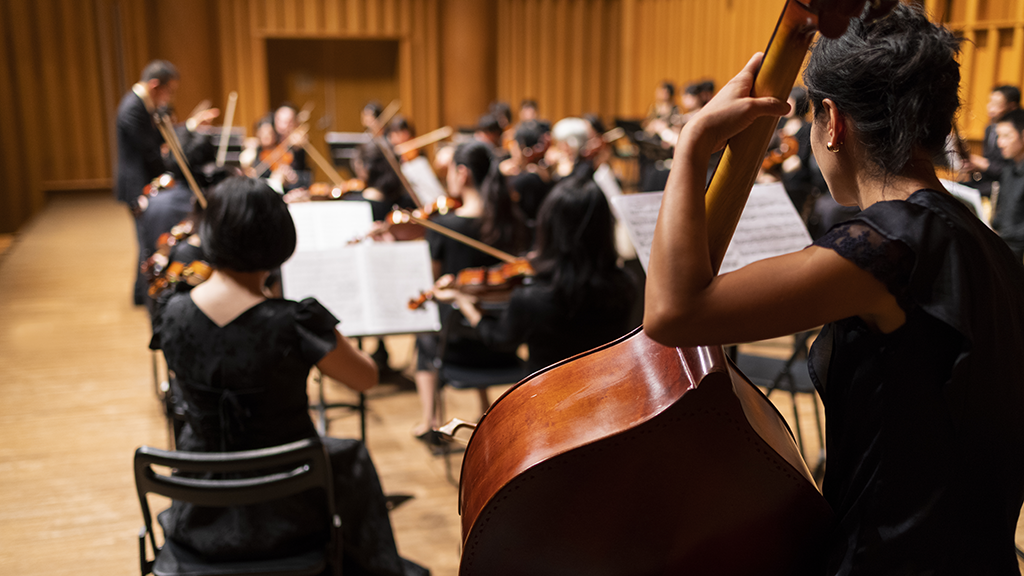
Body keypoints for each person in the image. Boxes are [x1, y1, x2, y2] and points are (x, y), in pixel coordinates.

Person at [644, 5, 1024, 574]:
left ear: (831, 120)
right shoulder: (984, 242)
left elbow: (672, 313)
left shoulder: (889, 245)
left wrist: (693, 143)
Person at [150, 177, 428, 576]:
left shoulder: (172, 313)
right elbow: (365, 378)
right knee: (351, 458)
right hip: (290, 511)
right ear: (279, 240)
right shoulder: (295, 322)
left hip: (201, 509)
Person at [434, 170, 636, 373]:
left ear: (549, 226)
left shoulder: (533, 298)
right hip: (609, 391)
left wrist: (464, 302)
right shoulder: (627, 285)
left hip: (546, 398)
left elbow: (501, 339)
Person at [412, 140, 527, 446]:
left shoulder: (443, 226)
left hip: (458, 347)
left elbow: (433, 285)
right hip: (503, 341)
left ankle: (430, 422)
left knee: (424, 336)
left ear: (462, 174)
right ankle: (482, 408)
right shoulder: (511, 223)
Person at [116, 60, 219, 305]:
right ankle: (146, 294)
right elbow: (152, 149)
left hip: (148, 181)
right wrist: (175, 160)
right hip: (138, 184)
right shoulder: (133, 107)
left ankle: (143, 292)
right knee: (148, 241)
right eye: (169, 91)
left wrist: (190, 127)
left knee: (149, 240)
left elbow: (162, 140)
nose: (170, 97)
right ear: (155, 85)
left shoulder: (141, 104)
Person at [964, 85, 1021, 197]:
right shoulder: (989, 128)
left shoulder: (1018, 131)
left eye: (996, 104)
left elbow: (1012, 171)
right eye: (990, 102)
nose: (990, 108)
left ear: (1012, 106)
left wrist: (983, 164)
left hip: (1002, 187)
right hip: (987, 183)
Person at [991, 108, 1024, 260]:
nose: (1000, 143)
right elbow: (1002, 213)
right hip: (1004, 244)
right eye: (998, 136)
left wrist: (1003, 235)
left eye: (1006, 136)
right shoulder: (1009, 169)